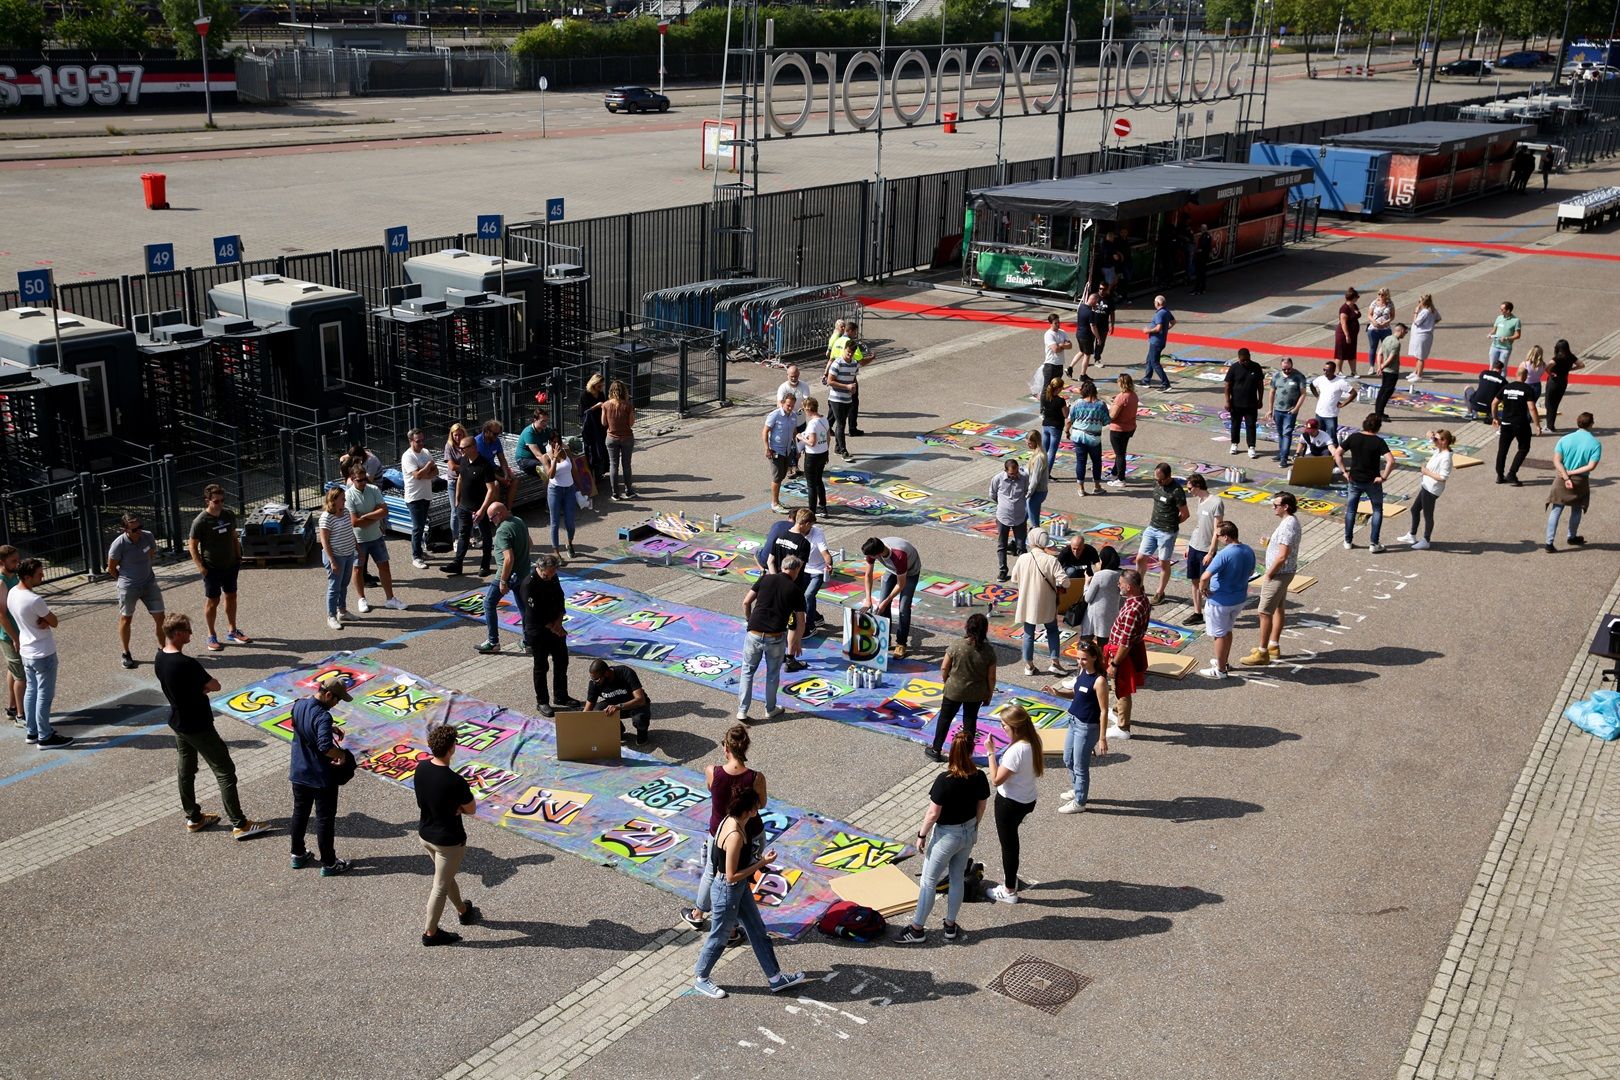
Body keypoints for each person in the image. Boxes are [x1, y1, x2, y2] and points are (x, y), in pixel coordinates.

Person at [156, 612, 271, 838]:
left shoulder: (160, 657)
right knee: (225, 771)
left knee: (186, 771)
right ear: (177, 634)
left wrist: (198, 688)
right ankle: (239, 823)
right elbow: (215, 685)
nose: (191, 633)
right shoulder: (187, 664)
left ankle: (194, 817)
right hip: (198, 725)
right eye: (187, 630)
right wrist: (202, 688)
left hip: (178, 722)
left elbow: (183, 686)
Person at [690, 786, 806, 999]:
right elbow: (731, 875)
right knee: (720, 936)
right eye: (756, 807)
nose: (758, 809)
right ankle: (701, 978)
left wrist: (754, 860)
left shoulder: (730, 820)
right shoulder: (734, 834)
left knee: (757, 929)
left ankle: (775, 978)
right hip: (728, 891)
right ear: (749, 810)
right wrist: (761, 863)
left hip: (738, 888)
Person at [896, 730, 989, 944]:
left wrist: (921, 835)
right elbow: (982, 806)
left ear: (952, 752)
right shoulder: (979, 776)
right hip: (968, 832)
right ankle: (950, 925)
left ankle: (917, 929)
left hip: (947, 835)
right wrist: (973, 827)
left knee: (928, 881)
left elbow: (933, 814)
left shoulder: (944, 780)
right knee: (957, 878)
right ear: (971, 751)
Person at [681, 723, 768, 933]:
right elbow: (762, 804)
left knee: (712, 872)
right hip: (750, 833)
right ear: (745, 747)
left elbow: (712, 790)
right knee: (740, 879)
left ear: (726, 748)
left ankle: (699, 915)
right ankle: (732, 927)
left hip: (720, 833)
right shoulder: (756, 777)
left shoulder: (712, 771)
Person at [415, 724, 481, 946]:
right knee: (440, 887)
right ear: (452, 748)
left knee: (445, 876)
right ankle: (430, 933)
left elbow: (423, 799)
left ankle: (463, 910)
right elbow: (471, 809)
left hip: (426, 834)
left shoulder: (421, 768)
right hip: (448, 841)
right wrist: (458, 808)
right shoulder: (455, 781)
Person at [289, 672, 354, 876]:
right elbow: (325, 747)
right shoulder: (323, 716)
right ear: (328, 695)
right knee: (324, 820)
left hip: (298, 771)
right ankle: (329, 864)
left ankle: (297, 854)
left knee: (300, 813)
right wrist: (341, 755)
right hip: (320, 777)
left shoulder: (299, 704)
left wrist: (328, 728)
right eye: (337, 700)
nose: (336, 704)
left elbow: (299, 724)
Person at [7, 559, 72, 749]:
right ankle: (45, 736)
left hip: (27, 652)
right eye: (39, 574)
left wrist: (44, 620)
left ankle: (32, 731)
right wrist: (46, 620)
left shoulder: (13, 592)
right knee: (44, 695)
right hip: (43, 653)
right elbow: (54, 621)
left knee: (31, 691)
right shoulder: (35, 600)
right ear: (27, 577)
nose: (42, 576)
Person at [986, 703, 1043, 904]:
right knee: (1012, 842)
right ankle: (1012, 878)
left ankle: (1009, 890)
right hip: (1027, 799)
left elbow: (995, 780)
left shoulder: (1016, 751)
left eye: (1004, 725)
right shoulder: (1033, 741)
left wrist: (991, 753)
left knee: (1009, 846)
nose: (1002, 728)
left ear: (1015, 727)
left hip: (1010, 803)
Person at [737, 556, 804, 722]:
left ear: (782, 567)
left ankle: (742, 711)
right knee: (772, 674)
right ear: (796, 570)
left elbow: (746, 602)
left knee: (747, 671)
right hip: (775, 636)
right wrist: (797, 642)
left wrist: (749, 620)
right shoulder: (795, 590)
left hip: (754, 632)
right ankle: (770, 709)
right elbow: (801, 621)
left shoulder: (765, 579)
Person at [1240, 493, 1301, 667]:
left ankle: (1262, 652)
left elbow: (1283, 555)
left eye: (1276, 505)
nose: (1273, 507)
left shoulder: (1288, 525)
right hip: (1285, 572)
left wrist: (1269, 574)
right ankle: (1273, 646)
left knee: (1264, 612)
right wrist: (1269, 543)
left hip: (1278, 574)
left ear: (1286, 507)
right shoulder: (1290, 521)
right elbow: (1284, 548)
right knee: (1278, 608)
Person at [187, 484, 248, 652]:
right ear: (207, 501)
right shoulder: (200, 521)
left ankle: (232, 630)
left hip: (231, 564)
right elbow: (192, 546)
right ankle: (211, 635)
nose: (220, 504)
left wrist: (238, 556)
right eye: (216, 501)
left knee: (231, 596)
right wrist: (201, 567)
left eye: (222, 500)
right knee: (213, 601)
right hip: (212, 567)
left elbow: (234, 537)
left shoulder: (228, 515)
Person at [931, 613, 996, 762]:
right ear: (984, 630)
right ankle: (966, 755)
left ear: (967, 627)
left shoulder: (956, 645)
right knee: (970, 721)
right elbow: (991, 677)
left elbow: (944, 667)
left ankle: (936, 749)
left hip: (954, 690)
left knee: (945, 718)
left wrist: (947, 681)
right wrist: (989, 694)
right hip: (976, 693)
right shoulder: (988, 651)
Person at [521, 555, 579, 718]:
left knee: (562, 661)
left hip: (555, 626)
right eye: (547, 575)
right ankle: (542, 701)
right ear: (539, 568)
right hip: (538, 630)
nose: (550, 577)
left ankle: (561, 695)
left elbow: (560, 599)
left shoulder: (553, 577)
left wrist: (559, 622)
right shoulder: (529, 584)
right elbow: (535, 613)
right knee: (541, 666)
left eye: (553, 574)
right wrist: (554, 627)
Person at [1198, 522, 1256, 680]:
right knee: (1227, 630)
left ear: (1226, 537)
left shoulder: (1224, 554)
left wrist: (1203, 589)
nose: (1216, 538)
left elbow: (1204, 577)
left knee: (1219, 635)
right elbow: (1251, 571)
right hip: (1239, 599)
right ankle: (1223, 661)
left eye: (1218, 535)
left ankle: (1220, 670)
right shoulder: (1248, 550)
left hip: (1220, 601)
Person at [107, 512, 165, 669]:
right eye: (134, 529)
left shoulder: (148, 536)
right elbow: (111, 568)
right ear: (125, 530)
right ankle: (126, 653)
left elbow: (150, 554)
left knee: (160, 617)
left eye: (140, 527)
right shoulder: (118, 544)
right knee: (126, 619)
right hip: (129, 587)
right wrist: (124, 581)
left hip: (149, 583)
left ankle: (163, 650)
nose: (139, 531)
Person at [346, 463, 405, 614]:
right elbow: (355, 522)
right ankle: (361, 598)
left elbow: (384, 511)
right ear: (352, 479)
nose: (363, 482)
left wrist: (365, 516)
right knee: (358, 569)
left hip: (376, 537)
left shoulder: (373, 489)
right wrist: (374, 515)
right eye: (359, 480)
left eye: (364, 479)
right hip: (359, 540)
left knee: (384, 567)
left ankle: (390, 599)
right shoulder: (349, 495)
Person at [1059, 639, 1109, 814]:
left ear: (1094, 657)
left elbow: (1104, 711)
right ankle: (1078, 788)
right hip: (1073, 721)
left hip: (1086, 728)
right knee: (1068, 759)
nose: (1080, 662)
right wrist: (1057, 692)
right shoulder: (1082, 672)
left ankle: (1080, 801)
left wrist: (1102, 738)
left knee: (1080, 767)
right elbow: (1076, 694)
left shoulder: (1099, 681)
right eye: (1078, 658)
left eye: (1084, 659)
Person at [1333, 411, 1395, 552]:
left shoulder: (1354, 437)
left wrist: (1344, 471)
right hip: (1373, 481)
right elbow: (1391, 461)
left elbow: (1337, 453)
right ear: (1378, 427)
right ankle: (1374, 543)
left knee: (1351, 510)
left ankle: (1348, 541)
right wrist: (1384, 477)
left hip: (1354, 479)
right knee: (1377, 510)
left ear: (1365, 423)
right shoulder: (1379, 442)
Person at [1012, 529, 1068, 677]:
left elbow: (1014, 578)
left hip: (1027, 602)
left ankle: (1029, 666)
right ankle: (1055, 662)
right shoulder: (1051, 560)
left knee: (1028, 634)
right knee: (1052, 630)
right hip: (1047, 602)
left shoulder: (1023, 558)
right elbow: (1065, 582)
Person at [476, 503, 530, 654]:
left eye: (492, 518)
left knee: (489, 603)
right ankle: (529, 642)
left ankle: (493, 642)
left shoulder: (502, 531)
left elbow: (508, 559)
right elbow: (530, 543)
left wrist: (503, 581)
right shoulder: (519, 521)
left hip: (508, 575)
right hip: (523, 573)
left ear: (499, 514)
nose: (491, 521)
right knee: (523, 608)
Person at [442, 433, 499, 577]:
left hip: (480, 508)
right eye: (460, 448)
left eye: (463, 448)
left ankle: (485, 564)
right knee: (463, 534)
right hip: (464, 506)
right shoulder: (463, 460)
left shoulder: (484, 465)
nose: (460, 450)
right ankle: (457, 564)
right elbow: (460, 478)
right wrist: (457, 498)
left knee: (486, 536)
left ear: (473, 447)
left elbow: (491, 489)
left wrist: (482, 510)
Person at [1545, 413, 1601, 553]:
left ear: (1578, 423)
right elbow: (1591, 466)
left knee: (1556, 509)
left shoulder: (1565, 439)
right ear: (1591, 424)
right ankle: (1572, 536)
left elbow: (1557, 461)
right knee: (1576, 509)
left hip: (1561, 479)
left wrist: (1566, 476)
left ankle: (1549, 543)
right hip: (1580, 481)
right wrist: (1572, 473)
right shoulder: (1595, 444)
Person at [1104, 569, 1150, 739]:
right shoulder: (1142, 598)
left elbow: (1125, 643)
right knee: (1118, 686)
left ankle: (1123, 727)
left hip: (1121, 654)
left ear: (1129, 587)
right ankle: (1117, 712)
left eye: (1121, 583)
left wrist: (1114, 664)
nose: (1118, 585)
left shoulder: (1132, 610)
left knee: (1121, 688)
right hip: (1128, 649)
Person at [861, 536, 921, 659]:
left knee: (903, 608)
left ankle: (901, 643)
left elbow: (901, 584)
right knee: (882, 605)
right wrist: (868, 600)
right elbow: (868, 575)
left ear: (877, 554)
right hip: (892, 569)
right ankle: (885, 638)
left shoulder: (899, 556)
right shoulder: (873, 549)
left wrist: (886, 601)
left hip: (910, 571)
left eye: (871, 556)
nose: (869, 558)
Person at [1396, 430, 1454, 551]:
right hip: (1426, 486)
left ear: (1444, 441)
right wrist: (1431, 435)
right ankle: (1412, 535)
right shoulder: (1440, 450)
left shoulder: (1446, 458)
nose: (1434, 441)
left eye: (1436, 440)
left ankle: (1426, 540)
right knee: (1414, 509)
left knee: (1428, 515)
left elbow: (1443, 477)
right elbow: (1430, 437)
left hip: (1432, 489)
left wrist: (1427, 472)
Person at [1138, 463, 1187, 604]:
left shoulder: (1177, 491)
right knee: (1140, 558)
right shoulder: (1158, 484)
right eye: (1156, 479)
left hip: (1167, 532)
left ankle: (1160, 593)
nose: (1158, 482)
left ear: (1169, 476)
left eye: (1161, 480)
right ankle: (1139, 586)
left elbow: (1185, 514)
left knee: (1163, 562)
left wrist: (1171, 524)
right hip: (1152, 528)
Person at [1183, 474, 1224, 626]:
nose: (1188, 491)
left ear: (1198, 486)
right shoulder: (1200, 501)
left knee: (1206, 583)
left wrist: (1211, 553)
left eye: (1190, 488)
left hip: (1206, 550)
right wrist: (1190, 545)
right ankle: (1197, 613)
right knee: (1194, 581)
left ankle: (1212, 612)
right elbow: (1199, 525)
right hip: (1195, 546)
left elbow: (1217, 531)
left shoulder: (1216, 502)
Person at [1492, 364, 1540, 486]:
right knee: (1523, 448)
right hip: (1520, 424)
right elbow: (1532, 408)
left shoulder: (1506, 387)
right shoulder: (1527, 389)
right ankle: (1512, 473)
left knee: (1502, 450)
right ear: (1526, 376)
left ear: (1515, 375)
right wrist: (1537, 425)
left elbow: (1494, 403)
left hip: (1506, 423)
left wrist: (1495, 418)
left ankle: (1499, 475)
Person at [317, 486, 357, 631]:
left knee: (344, 585)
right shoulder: (326, 518)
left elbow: (350, 531)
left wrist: (356, 546)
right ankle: (331, 616)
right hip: (336, 557)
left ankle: (343, 611)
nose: (345, 501)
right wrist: (332, 561)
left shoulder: (345, 511)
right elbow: (324, 542)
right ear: (333, 500)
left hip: (348, 554)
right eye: (342, 499)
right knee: (334, 587)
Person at [586, 658, 653, 745]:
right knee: (598, 712)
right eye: (592, 679)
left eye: (597, 679)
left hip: (634, 704)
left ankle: (642, 733)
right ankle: (618, 730)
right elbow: (587, 710)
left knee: (639, 718)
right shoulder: (594, 683)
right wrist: (580, 730)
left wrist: (619, 706)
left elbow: (641, 699)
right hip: (616, 705)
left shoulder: (625, 672)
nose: (594, 682)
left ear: (606, 673)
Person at [1064, 378, 1108, 497]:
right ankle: (1097, 486)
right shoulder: (1101, 405)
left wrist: (1067, 431)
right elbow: (1106, 421)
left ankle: (1081, 488)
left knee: (1081, 461)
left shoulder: (1077, 403)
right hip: (1094, 438)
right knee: (1096, 462)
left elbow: (1070, 420)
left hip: (1078, 436)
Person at [400, 428, 437, 570]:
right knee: (417, 527)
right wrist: (427, 466)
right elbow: (417, 475)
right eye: (418, 441)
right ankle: (416, 556)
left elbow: (435, 471)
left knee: (422, 525)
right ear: (411, 441)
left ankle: (421, 552)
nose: (421, 443)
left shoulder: (426, 452)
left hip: (426, 494)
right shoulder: (407, 456)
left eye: (422, 440)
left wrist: (424, 472)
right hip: (414, 497)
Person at [542, 431, 583, 560]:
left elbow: (574, 470)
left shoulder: (567, 451)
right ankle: (556, 552)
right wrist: (554, 458)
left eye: (558, 441)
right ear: (549, 443)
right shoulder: (546, 457)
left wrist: (581, 487)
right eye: (554, 442)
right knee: (554, 522)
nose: (557, 444)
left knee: (570, 522)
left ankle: (569, 543)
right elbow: (551, 475)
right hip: (555, 491)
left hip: (569, 490)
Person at [988, 458, 1029, 582]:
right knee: (1002, 545)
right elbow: (992, 494)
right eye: (1011, 474)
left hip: (1020, 517)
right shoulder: (997, 479)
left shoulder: (1024, 478)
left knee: (1021, 546)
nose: (1014, 476)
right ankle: (1003, 570)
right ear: (1005, 471)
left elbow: (1026, 492)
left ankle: (1023, 572)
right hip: (1003, 517)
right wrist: (1003, 504)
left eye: (1016, 472)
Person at [598, 380, 638, 500]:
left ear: (611, 391)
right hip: (627, 438)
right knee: (626, 465)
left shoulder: (605, 405)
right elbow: (631, 423)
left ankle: (615, 493)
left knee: (613, 465)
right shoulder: (628, 405)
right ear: (624, 391)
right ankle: (628, 491)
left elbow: (603, 423)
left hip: (611, 438)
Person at [0, 545, 24, 733]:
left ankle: (12, 707)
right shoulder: (1, 583)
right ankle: (21, 716)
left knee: (13, 670)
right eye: (13, 561)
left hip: (18, 631)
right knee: (21, 676)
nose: (18, 563)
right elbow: (2, 615)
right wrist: (15, 638)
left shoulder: (13, 575)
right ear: (2, 562)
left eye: (18, 559)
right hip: (9, 635)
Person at [1225, 347, 1265, 458]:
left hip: (1251, 404)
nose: (1246, 362)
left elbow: (1260, 385)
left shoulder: (1256, 367)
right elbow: (1227, 386)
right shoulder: (1234, 368)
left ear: (1250, 357)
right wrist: (1228, 401)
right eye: (1243, 360)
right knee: (1235, 424)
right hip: (1236, 404)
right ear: (1239, 358)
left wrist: (1260, 399)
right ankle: (1234, 443)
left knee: (1251, 425)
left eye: (1247, 359)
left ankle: (1251, 447)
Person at [1268, 357, 1308, 466]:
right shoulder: (1276, 376)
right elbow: (1272, 392)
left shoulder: (1299, 376)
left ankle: (1284, 458)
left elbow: (1303, 394)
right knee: (1280, 433)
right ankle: (1281, 453)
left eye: (1288, 369)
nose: (1286, 371)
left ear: (1292, 365)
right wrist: (1270, 409)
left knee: (1286, 433)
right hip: (1278, 410)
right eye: (1284, 369)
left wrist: (1296, 408)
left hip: (1290, 411)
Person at [826, 340, 861, 461]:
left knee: (841, 423)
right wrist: (846, 387)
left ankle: (837, 448)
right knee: (841, 424)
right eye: (848, 352)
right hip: (836, 399)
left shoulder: (854, 364)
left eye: (852, 353)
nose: (850, 354)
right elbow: (830, 381)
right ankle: (843, 451)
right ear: (844, 349)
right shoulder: (837, 363)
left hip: (847, 399)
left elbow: (853, 378)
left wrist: (854, 387)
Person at [764, 391, 798, 513]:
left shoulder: (794, 416)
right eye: (788, 405)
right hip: (775, 450)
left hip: (787, 450)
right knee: (777, 477)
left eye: (792, 406)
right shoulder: (775, 415)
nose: (790, 408)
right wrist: (767, 448)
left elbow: (794, 432)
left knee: (782, 475)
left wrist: (797, 448)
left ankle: (777, 501)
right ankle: (774, 503)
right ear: (782, 403)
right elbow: (765, 431)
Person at [797, 395, 830, 517]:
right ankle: (823, 507)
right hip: (823, 453)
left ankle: (812, 511)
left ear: (808, 409)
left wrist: (800, 437)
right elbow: (828, 438)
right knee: (818, 480)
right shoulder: (824, 419)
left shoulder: (812, 424)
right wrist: (826, 451)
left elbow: (812, 442)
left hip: (812, 456)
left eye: (804, 410)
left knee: (811, 484)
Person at [1310, 360, 1355, 448]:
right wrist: (1317, 396)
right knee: (1319, 435)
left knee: (1332, 438)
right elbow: (1312, 386)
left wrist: (1343, 404)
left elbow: (1353, 393)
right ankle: (1321, 452)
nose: (1325, 372)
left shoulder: (1340, 382)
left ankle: (1334, 454)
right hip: (1319, 413)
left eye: (1327, 370)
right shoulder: (1321, 379)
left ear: (1333, 370)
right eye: (1324, 370)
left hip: (1331, 415)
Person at [1083, 546, 1122, 642]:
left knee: (1085, 641)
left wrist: (1086, 583)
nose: (1099, 563)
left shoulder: (1099, 575)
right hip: (1112, 613)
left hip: (1095, 614)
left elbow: (1087, 598)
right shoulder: (1122, 574)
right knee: (1104, 643)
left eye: (1100, 560)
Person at [1371, 322, 1410, 422]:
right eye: (1405, 332)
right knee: (1387, 393)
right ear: (1401, 331)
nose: (1405, 334)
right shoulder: (1396, 343)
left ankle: (1378, 412)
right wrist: (1382, 367)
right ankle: (1379, 414)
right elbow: (1391, 358)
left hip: (1385, 370)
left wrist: (1379, 366)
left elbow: (1379, 353)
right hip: (1392, 371)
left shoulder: (1387, 338)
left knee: (1382, 390)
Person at [1106, 373, 1138, 487]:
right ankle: (1114, 473)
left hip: (1118, 429)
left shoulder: (1121, 397)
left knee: (1119, 455)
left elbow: (1113, 415)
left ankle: (1121, 479)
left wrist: (1110, 408)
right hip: (1129, 428)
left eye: (1118, 381)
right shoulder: (1133, 395)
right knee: (1121, 452)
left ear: (1122, 383)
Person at [1545, 340, 1584, 433]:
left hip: (1554, 382)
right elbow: (1582, 365)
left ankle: (1550, 426)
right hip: (1563, 381)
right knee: (1555, 403)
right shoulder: (1571, 356)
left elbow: (1547, 367)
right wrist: (1571, 369)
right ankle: (1550, 425)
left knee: (1549, 403)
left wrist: (1550, 373)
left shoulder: (1557, 358)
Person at [776, 364, 808, 479]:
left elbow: (806, 400)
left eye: (795, 376)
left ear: (798, 374)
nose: (794, 378)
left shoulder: (804, 385)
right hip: (788, 421)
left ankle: (795, 465)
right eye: (791, 376)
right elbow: (779, 403)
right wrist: (787, 412)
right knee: (790, 445)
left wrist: (804, 407)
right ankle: (790, 467)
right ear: (787, 375)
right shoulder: (783, 387)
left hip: (801, 421)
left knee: (800, 445)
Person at [1141, 295, 1176, 390]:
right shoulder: (1166, 311)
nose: (1154, 303)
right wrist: (1166, 329)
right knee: (1149, 360)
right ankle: (1146, 380)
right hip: (1160, 340)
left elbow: (1158, 328)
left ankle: (1166, 383)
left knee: (1154, 362)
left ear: (1158, 303)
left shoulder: (1159, 314)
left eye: (1154, 302)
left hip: (1156, 342)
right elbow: (1173, 322)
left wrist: (1148, 331)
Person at [579, 376, 609, 483]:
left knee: (601, 448)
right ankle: (592, 474)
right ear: (594, 384)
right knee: (592, 449)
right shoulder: (585, 394)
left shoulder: (600, 393)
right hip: (590, 426)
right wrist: (596, 406)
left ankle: (600, 472)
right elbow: (583, 412)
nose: (601, 387)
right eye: (599, 385)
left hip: (600, 425)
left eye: (602, 385)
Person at [1406, 295, 1441, 384]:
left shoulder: (1425, 312)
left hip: (1421, 335)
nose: (1418, 303)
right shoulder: (1432, 310)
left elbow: (1416, 322)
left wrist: (1416, 312)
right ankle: (1416, 372)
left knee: (1420, 357)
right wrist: (1430, 324)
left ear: (1423, 302)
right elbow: (1438, 318)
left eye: (1419, 301)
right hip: (1423, 335)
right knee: (1417, 355)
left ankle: (1419, 376)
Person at [513, 406, 555, 479]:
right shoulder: (529, 433)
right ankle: (549, 484)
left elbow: (557, 442)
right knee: (545, 468)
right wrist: (552, 461)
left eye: (546, 421)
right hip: (524, 459)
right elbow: (538, 455)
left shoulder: (546, 430)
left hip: (538, 458)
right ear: (535, 420)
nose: (545, 423)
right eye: (543, 421)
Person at [1038, 376, 1067, 472]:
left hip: (1045, 425)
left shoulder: (1045, 397)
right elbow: (1066, 415)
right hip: (1056, 427)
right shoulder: (1060, 400)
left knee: (1043, 451)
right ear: (1058, 388)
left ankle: (1038, 470)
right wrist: (1068, 407)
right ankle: (1047, 473)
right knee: (1052, 451)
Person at [1365, 287, 1394, 374]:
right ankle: (1371, 367)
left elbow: (1392, 316)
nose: (1380, 295)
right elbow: (1369, 315)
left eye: (1382, 294)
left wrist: (1387, 321)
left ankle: (1383, 366)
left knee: (1386, 348)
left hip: (1386, 329)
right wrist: (1373, 321)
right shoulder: (1374, 303)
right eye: (1379, 294)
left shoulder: (1390, 303)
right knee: (1373, 347)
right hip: (1373, 329)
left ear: (1386, 295)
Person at [1070, 289, 1097, 378]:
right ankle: (1083, 375)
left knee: (1082, 351)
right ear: (1093, 300)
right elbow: (1093, 326)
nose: (1096, 303)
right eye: (1096, 301)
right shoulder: (1090, 312)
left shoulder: (1081, 307)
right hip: (1086, 336)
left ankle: (1070, 367)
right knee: (1087, 355)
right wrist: (1098, 337)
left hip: (1079, 334)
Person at [1334, 287, 1362, 376]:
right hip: (1343, 334)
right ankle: (1339, 371)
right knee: (1341, 353)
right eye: (1357, 297)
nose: (1358, 298)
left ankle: (1354, 371)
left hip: (1353, 334)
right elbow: (1343, 323)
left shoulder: (1354, 306)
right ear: (1353, 298)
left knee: (1352, 353)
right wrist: (1347, 335)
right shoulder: (1344, 308)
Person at [1088, 280, 1115, 366]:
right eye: (1100, 288)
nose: (1101, 291)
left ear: (1107, 289)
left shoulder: (1110, 299)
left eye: (1103, 289)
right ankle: (1086, 358)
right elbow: (1087, 308)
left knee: (1100, 344)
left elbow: (1112, 313)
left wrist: (1112, 325)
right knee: (1089, 342)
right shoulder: (1094, 297)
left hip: (1103, 325)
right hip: (1093, 324)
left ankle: (1097, 359)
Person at [1041, 312, 1071, 388]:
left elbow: (1070, 346)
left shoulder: (1063, 332)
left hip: (1060, 364)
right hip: (1051, 365)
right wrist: (1063, 345)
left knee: (1057, 388)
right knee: (1047, 388)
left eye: (1058, 322)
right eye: (1055, 323)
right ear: (1050, 323)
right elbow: (1056, 349)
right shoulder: (1049, 334)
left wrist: (1061, 345)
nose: (1058, 324)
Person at [1488, 300, 1521, 367]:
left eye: (1502, 309)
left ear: (1508, 310)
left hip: (1505, 348)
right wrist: (1490, 334)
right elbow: (1494, 330)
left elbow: (1518, 335)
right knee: (1492, 366)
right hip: (1494, 346)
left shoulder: (1516, 321)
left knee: (1502, 368)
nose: (1500, 310)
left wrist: (1506, 338)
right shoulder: (1499, 318)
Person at [1192, 224, 1212, 295]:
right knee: (1202, 274)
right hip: (1204, 257)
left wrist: (1198, 251)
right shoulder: (1207, 236)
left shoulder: (1205, 236)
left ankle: (1198, 289)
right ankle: (1202, 289)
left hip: (1202, 258)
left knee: (1200, 273)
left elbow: (1203, 247)